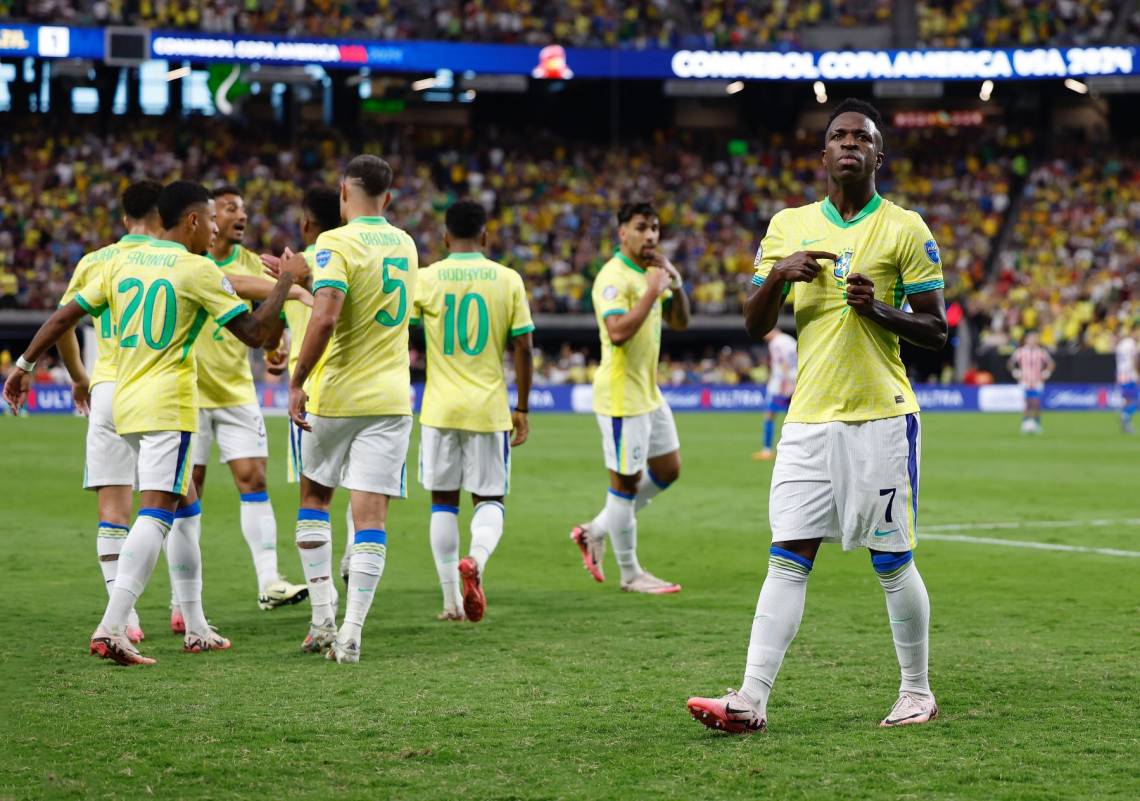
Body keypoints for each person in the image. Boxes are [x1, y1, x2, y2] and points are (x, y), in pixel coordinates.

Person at [687, 99, 949, 732]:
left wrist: (879, 308)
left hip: (880, 417)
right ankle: (751, 700)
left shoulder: (905, 228)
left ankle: (917, 692)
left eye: (863, 136)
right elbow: (755, 325)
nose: (850, 143)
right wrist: (778, 275)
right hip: (807, 419)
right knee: (787, 555)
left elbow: (937, 330)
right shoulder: (788, 225)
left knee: (891, 559)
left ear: (879, 155)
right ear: (824, 153)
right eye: (839, 136)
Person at [4, 180, 303, 665]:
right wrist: (288, 282)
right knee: (158, 511)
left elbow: (64, 317)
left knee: (185, 507)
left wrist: (24, 365)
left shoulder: (120, 262)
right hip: (169, 405)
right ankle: (113, 624)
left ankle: (196, 624)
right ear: (190, 221)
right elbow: (254, 332)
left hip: (123, 401)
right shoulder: (196, 268)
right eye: (209, 218)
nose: (213, 229)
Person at [287, 155, 419, 664]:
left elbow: (324, 317)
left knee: (316, 498)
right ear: (388, 197)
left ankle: (322, 618)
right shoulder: (405, 243)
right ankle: (353, 632)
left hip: (337, 395)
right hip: (390, 399)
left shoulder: (334, 243)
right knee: (371, 519)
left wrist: (298, 381)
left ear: (344, 192)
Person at [176, 184, 307, 624]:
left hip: (234, 390)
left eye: (244, 209)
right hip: (187, 392)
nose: (241, 215)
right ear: (207, 217)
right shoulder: (188, 261)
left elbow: (272, 322)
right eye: (231, 208)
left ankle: (269, 581)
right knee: (186, 491)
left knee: (253, 480)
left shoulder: (254, 264)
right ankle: (182, 600)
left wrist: (276, 345)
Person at [411, 200, 534, 623]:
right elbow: (524, 345)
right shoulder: (507, 279)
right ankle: (476, 559)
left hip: (440, 408)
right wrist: (522, 406)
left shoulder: (425, 279)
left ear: (445, 238)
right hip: (488, 408)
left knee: (442, 502)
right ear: (485, 236)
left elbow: (403, 336)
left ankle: (450, 603)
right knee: (490, 499)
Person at [53, 180, 164, 644]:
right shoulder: (173, 261)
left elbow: (64, 323)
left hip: (107, 388)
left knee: (112, 509)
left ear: (123, 219)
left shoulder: (97, 261)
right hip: (156, 390)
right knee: (169, 501)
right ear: (163, 216)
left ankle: (127, 618)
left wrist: (80, 375)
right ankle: (188, 612)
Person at [569, 201, 691, 594]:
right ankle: (630, 573)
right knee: (624, 486)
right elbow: (618, 331)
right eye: (642, 227)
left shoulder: (652, 273)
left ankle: (597, 530)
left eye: (655, 227)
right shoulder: (613, 276)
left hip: (649, 393)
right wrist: (652, 291)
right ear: (623, 233)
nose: (651, 235)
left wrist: (674, 282)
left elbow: (681, 322)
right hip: (621, 397)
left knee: (668, 469)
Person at [260, 185, 357, 583]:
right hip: (364, 385)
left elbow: (272, 325)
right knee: (363, 484)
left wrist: (274, 349)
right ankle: (356, 547)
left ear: (306, 222)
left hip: (313, 389)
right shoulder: (359, 255)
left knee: (314, 497)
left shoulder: (294, 265)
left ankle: (323, 602)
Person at [753, 328, 797, 461]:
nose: (764, 337)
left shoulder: (776, 343)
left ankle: (766, 450)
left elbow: (782, 361)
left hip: (781, 384)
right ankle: (796, 450)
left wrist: (786, 382)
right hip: (796, 379)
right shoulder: (790, 340)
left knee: (769, 416)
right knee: (794, 418)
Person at [1008, 331, 1054, 434]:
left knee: (1036, 403)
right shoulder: (1020, 351)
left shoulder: (1041, 352)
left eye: (1034, 338)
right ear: (1026, 340)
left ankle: (1037, 424)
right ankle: (1025, 423)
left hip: (1037, 381)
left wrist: (1046, 373)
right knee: (1027, 403)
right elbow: (1010, 363)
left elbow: (1051, 364)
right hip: (1025, 381)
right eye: (1031, 338)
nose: (1033, 341)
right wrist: (1015, 372)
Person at [1114, 330, 1136, 434]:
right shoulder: (1131, 343)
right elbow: (1134, 360)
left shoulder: (1120, 345)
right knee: (1135, 400)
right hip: (1129, 375)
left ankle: (1126, 424)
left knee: (1127, 400)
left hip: (1121, 375)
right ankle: (1124, 417)